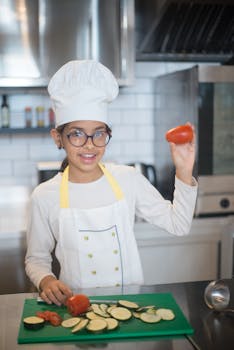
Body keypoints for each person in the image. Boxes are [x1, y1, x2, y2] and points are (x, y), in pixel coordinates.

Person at [25, 60, 197, 306]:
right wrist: (46, 280)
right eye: (76, 133)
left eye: (99, 133)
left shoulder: (128, 179)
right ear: (58, 138)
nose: (89, 144)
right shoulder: (44, 195)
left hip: (130, 310)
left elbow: (179, 225)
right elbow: (36, 259)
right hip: (77, 312)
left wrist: (183, 169)